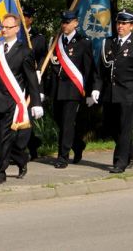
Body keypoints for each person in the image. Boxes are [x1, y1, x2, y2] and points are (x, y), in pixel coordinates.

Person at [0, 13, 43, 184]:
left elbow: (31, 79)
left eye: (7, 27)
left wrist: (36, 102)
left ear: (17, 29)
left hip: (12, 103)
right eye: (2, 27)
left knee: (5, 138)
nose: (3, 30)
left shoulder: (25, 51)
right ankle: (21, 159)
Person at [90, 9, 133, 173]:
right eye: (119, 23)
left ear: (132, 26)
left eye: (124, 23)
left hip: (128, 93)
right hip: (110, 92)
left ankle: (120, 162)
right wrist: (96, 88)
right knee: (110, 126)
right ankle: (130, 150)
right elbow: (100, 70)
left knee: (125, 128)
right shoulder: (108, 43)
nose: (120, 26)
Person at [45, 10, 96, 168]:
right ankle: (78, 144)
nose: (65, 25)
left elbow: (88, 69)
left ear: (75, 23)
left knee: (67, 123)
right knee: (59, 120)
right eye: (63, 22)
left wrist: (89, 90)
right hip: (57, 88)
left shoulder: (83, 42)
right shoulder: (56, 41)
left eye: (68, 22)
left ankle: (62, 157)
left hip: (73, 89)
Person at [23, 6, 47, 160]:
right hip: (15, 81)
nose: (22, 19)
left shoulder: (38, 38)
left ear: (30, 19)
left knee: (27, 117)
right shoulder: (14, 35)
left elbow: (43, 57)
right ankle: (32, 144)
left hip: (31, 82)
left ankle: (25, 148)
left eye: (25, 16)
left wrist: (39, 71)